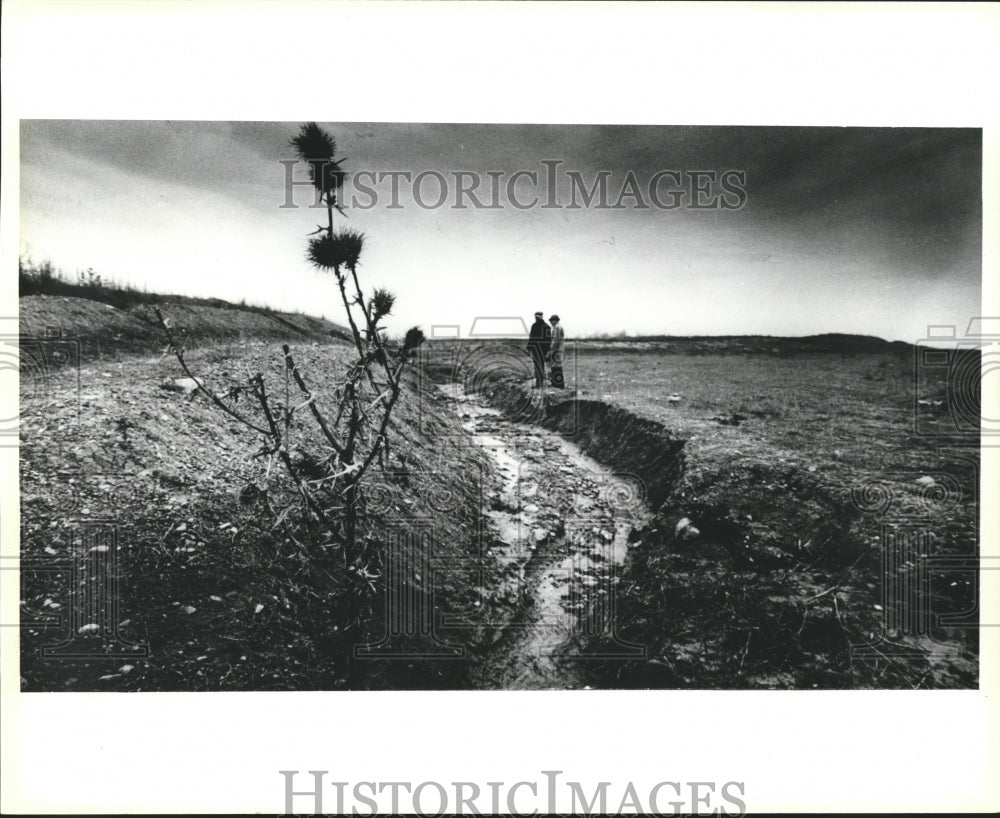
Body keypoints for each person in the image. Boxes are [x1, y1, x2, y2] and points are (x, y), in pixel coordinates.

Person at [527, 311, 551, 388]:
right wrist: (547, 350)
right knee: (540, 365)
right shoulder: (546, 326)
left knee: (538, 366)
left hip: (537, 350)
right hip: (541, 350)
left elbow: (532, 339)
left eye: (536, 317)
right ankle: (540, 383)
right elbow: (548, 340)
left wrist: (529, 348)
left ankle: (539, 384)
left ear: (537, 317)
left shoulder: (535, 326)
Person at [549, 314, 565, 389]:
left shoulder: (557, 328)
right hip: (559, 350)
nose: (551, 322)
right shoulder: (559, 327)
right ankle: (559, 384)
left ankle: (557, 384)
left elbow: (555, 341)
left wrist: (551, 350)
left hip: (556, 350)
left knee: (556, 367)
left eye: (552, 321)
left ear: (555, 320)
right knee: (557, 367)